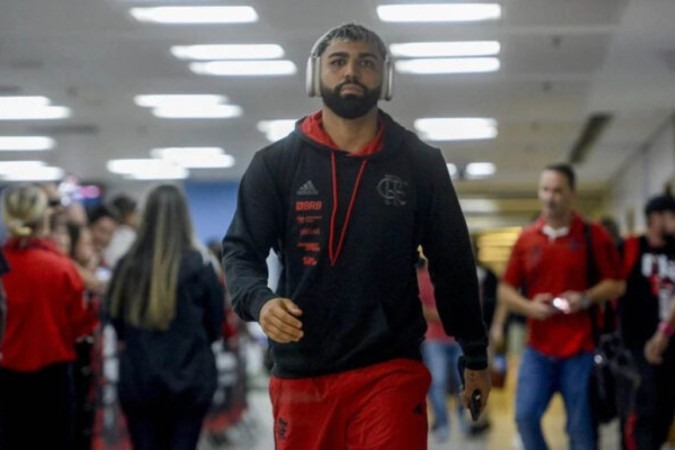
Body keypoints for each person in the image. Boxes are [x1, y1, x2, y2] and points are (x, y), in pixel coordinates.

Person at [222, 23, 490, 450]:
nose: (352, 71)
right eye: (338, 61)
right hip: (302, 370)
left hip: (389, 367)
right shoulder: (275, 164)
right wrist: (261, 299)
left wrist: (474, 354)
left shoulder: (420, 164)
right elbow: (240, 251)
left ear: (385, 78)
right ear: (316, 76)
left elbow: (453, 262)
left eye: (366, 62)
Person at [498, 163, 624, 450]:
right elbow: (505, 290)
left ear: (572, 194)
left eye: (557, 190)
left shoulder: (593, 235)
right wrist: (530, 307)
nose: (550, 197)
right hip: (538, 349)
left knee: (581, 431)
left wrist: (586, 297)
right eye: (545, 189)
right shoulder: (527, 239)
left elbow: (617, 284)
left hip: (581, 349)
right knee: (525, 417)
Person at [107, 184, 225, 450]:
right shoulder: (200, 268)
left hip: (139, 381)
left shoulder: (127, 267)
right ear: (185, 217)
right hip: (190, 380)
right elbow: (215, 326)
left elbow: (116, 321)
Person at [0, 183, 97, 450]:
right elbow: (81, 324)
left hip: (7, 377)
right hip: (53, 377)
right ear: (44, 217)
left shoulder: (4, 265)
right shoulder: (62, 269)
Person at [619, 193, 675, 450]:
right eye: (671, 215)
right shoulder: (631, 247)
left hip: (670, 341)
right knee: (645, 404)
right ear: (656, 218)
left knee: (665, 405)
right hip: (637, 343)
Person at [417, 254, 464, 443]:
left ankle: (463, 418)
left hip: (458, 338)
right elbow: (421, 307)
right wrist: (447, 316)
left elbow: (467, 305)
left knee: (464, 382)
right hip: (434, 339)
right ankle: (443, 423)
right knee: (438, 382)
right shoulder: (422, 278)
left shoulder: (458, 275)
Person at [104, 193, 138, 268]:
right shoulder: (128, 234)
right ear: (127, 215)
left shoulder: (109, 233)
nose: (136, 218)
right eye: (134, 213)